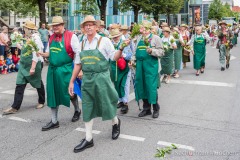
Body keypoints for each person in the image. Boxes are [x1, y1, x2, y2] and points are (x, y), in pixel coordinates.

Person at [68, 15, 129, 153]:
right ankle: (88, 139)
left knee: (106, 104)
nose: (88, 27)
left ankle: (115, 122)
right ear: (83, 28)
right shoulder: (81, 43)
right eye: (86, 25)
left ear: (96, 27)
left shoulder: (105, 40)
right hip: (87, 80)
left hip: (102, 78)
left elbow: (113, 57)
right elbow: (78, 63)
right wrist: (71, 81)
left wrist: (121, 48)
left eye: (91, 24)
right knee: (88, 107)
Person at [39, 16, 81, 131]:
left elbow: (78, 53)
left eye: (57, 25)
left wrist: (80, 69)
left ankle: (77, 109)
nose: (55, 27)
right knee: (52, 94)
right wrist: (42, 54)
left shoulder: (71, 36)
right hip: (52, 70)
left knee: (70, 92)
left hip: (66, 69)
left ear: (63, 25)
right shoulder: (51, 37)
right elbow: (48, 53)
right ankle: (54, 121)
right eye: (54, 25)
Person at [2, 21, 45, 115]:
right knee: (19, 84)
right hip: (24, 65)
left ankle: (41, 101)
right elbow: (26, 49)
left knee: (37, 82)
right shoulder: (26, 37)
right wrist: (19, 46)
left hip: (35, 64)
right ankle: (15, 107)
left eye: (25, 28)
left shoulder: (36, 38)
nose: (23, 30)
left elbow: (36, 54)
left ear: (30, 29)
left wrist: (33, 68)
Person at [130, 20, 163, 118]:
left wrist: (152, 51)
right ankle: (146, 108)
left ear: (148, 29)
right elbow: (135, 52)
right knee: (142, 85)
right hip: (140, 66)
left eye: (142, 27)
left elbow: (161, 52)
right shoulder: (139, 38)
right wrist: (132, 60)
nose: (140, 29)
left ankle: (156, 108)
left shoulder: (155, 38)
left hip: (151, 66)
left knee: (151, 87)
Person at [109, 28, 133, 114]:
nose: (115, 38)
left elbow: (130, 55)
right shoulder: (110, 44)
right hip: (114, 68)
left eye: (116, 37)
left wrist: (123, 54)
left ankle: (125, 104)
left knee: (124, 86)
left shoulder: (124, 43)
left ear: (119, 36)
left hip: (124, 68)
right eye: (113, 37)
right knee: (117, 85)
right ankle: (121, 101)